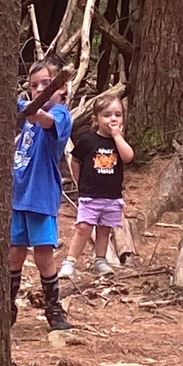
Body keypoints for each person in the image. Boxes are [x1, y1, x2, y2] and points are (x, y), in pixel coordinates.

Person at [10, 59, 73, 330]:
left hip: (41, 194)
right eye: (34, 86)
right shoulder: (27, 115)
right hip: (17, 195)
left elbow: (44, 120)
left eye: (47, 84)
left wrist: (29, 108)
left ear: (63, 88)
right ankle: (6, 305)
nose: (39, 90)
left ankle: (54, 308)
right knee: (14, 252)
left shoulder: (60, 114)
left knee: (43, 254)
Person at [58, 95, 134, 279]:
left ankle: (100, 260)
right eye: (107, 115)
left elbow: (128, 157)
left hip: (112, 195)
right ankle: (70, 261)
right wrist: (78, 179)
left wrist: (117, 136)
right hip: (90, 194)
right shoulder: (88, 141)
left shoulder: (119, 142)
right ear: (96, 120)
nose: (113, 119)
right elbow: (75, 159)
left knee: (104, 228)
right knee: (84, 227)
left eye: (118, 115)